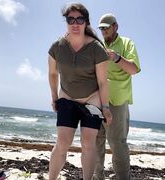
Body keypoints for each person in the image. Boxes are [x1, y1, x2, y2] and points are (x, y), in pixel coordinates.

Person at [48, 3, 112, 180]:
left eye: (79, 19)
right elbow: (53, 74)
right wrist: (54, 97)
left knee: (88, 143)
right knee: (62, 143)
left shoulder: (96, 49)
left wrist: (105, 107)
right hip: (67, 97)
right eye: (70, 19)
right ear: (66, 22)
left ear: (86, 22)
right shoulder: (57, 47)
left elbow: (102, 81)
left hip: (92, 100)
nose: (75, 23)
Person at [93, 13, 141, 180]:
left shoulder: (127, 43)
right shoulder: (97, 44)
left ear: (115, 26)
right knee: (95, 142)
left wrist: (116, 57)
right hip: (95, 100)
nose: (104, 30)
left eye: (107, 27)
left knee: (117, 143)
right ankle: (96, 177)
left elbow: (134, 69)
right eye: (102, 28)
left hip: (117, 101)